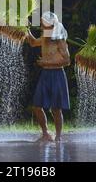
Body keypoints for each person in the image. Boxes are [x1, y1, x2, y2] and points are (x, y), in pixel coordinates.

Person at [26, 11, 71, 142]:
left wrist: (47, 62)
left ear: (51, 26)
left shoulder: (60, 40)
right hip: (45, 74)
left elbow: (67, 61)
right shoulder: (45, 38)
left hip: (57, 74)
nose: (41, 27)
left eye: (43, 25)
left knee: (56, 109)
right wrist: (27, 29)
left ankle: (58, 136)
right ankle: (45, 133)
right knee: (37, 106)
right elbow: (33, 43)